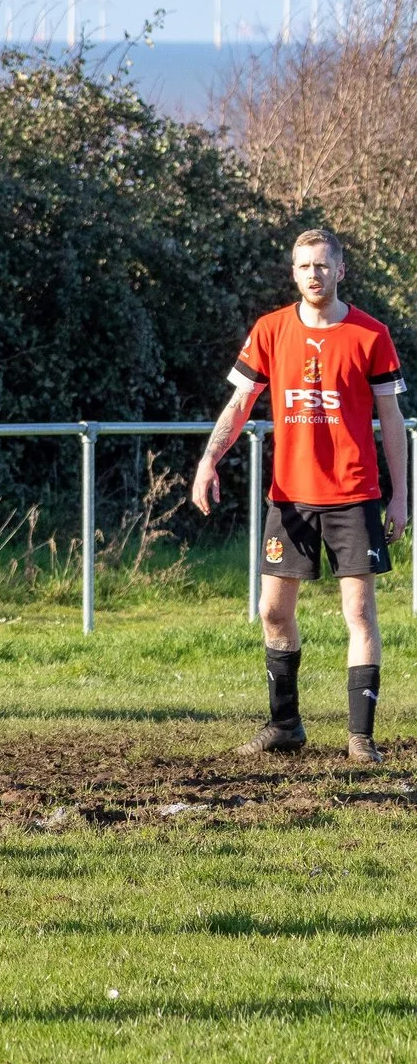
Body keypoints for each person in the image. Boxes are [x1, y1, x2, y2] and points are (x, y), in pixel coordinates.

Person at [191, 228, 407, 762]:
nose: (314, 274)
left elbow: (391, 419)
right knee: (272, 611)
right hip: (289, 498)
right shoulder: (269, 330)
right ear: (293, 273)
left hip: (356, 494)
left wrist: (402, 495)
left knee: (358, 613)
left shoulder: (371, 334)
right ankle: (285, 725)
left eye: (322, 265)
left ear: (341, 271)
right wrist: (208, 460)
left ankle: (360, 738)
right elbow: (240, 404)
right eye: (303, 265)